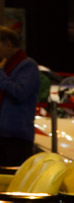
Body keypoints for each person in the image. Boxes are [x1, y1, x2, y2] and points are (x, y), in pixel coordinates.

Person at [0, 26, 40, 166]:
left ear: (8, 44)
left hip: (17, 137)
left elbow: (20, 93)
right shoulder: (6, 66)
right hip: (3, 135)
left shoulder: (28, 66)